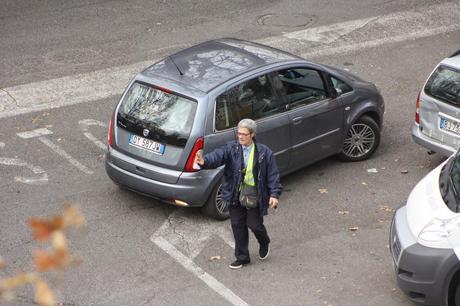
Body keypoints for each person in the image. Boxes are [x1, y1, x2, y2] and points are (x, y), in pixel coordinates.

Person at [194, 118, 282, 269]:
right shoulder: (232, 148)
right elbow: (218, 156)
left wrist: (274, 194)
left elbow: (273, 175)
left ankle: (264, 241)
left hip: (254, 195)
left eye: (244, 134)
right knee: (237, 225)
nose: (240, 137)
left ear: (252, 135)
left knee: (254, 225)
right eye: (239, 133)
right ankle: (242, 257)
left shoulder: (264, 152)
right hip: (235, 194)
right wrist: (205, 161)